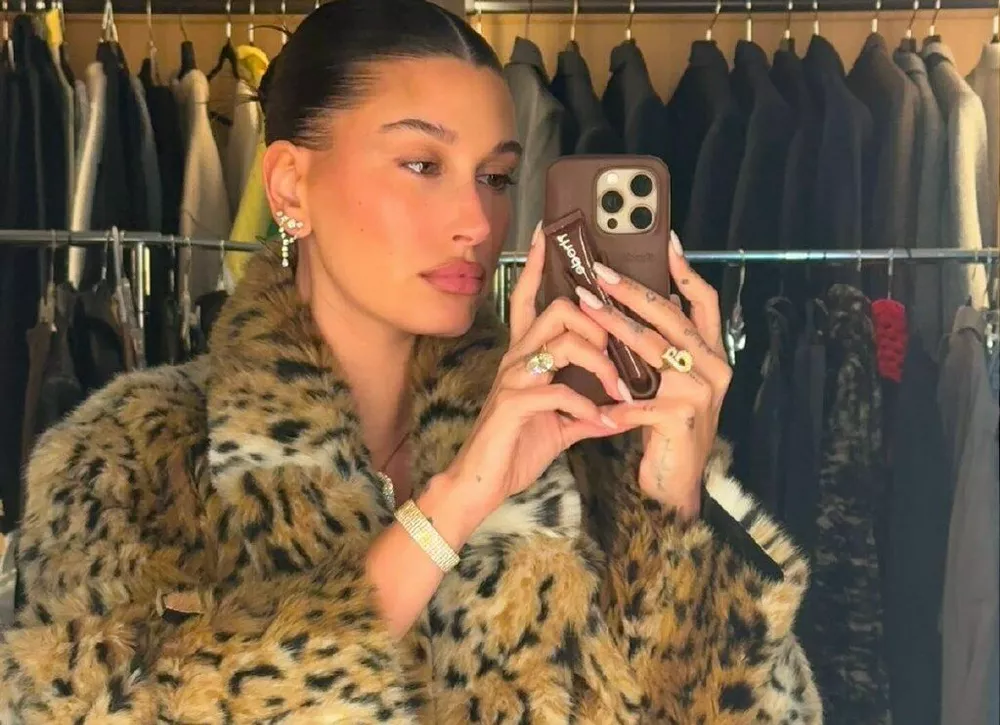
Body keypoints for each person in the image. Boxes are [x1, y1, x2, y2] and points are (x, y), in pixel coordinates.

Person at [0, 1, 822, 722]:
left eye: (497, 176)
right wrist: (453, 505)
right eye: (423, 165)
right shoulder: (126, 459)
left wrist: (674, 509)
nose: (479, 221)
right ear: (288, 185)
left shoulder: (593, 452)